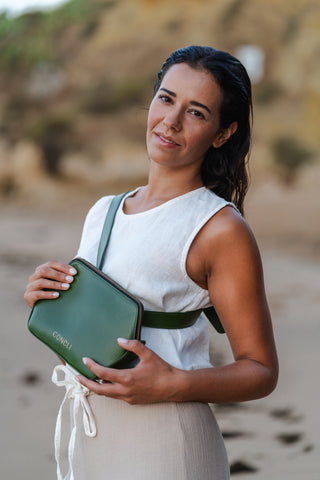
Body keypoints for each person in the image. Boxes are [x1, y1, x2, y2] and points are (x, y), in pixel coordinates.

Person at [24, 46, 278, 480]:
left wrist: (175, 384)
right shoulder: (103, 210)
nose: (171, 122)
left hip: (167, 444)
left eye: (196, 113)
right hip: (90, 437)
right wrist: (47, 294)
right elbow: (89, 328)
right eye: (166, 98)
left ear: (222, 133)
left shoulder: (219, 228)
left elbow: (260, 370)